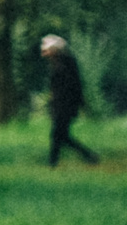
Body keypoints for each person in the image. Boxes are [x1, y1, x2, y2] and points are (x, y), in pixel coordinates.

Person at [42, 35, 99, 168]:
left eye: (48, 50)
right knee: (62, 136)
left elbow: (74, 85)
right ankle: (89, 155)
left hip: (66, 105)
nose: (45, 53)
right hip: (60, 104)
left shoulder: (65, 64)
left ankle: (53, 164)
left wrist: (80, 104)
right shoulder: (57, 63)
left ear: (55, 50)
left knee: (57, 135)